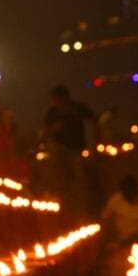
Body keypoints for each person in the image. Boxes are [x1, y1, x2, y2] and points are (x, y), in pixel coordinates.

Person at [43, 85, 97, 219]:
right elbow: (45, 133)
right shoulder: (52, 113)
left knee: (79, 181)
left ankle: (81, 212)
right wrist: (53, 130)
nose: (56, 102)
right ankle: (63, 209)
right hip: (59, 150)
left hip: (76, 150)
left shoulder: (78, 109)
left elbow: (93, 121)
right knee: (60, 182)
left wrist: (94, 145)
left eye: (57, 99)